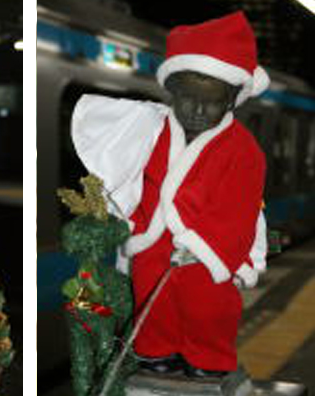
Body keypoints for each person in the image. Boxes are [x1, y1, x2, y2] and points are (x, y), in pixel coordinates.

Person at [71, 12, 267, 378]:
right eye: (187, 98)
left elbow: (239, 208)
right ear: (172, 93)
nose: (195, 110)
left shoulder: (244, 149)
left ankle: (208, 357)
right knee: (152, 300)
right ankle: (154, 349)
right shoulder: (153, 130)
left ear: (231, 100)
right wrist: (136, 226)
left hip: (207, 251)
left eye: (209, 102)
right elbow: (136, 178)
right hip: (153, 241)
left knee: (208, 307)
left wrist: (203, 245)